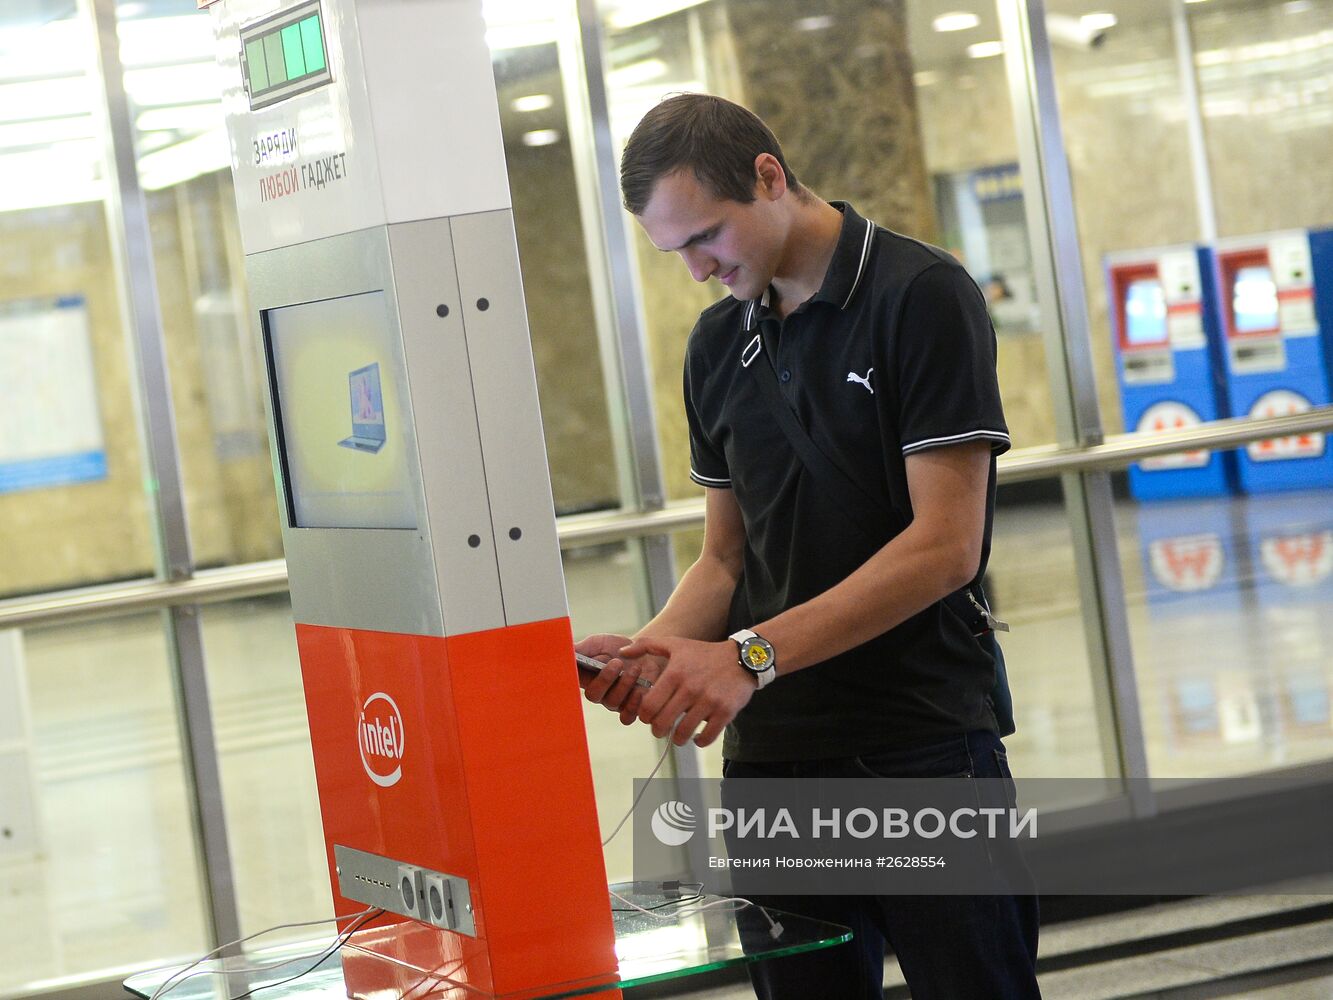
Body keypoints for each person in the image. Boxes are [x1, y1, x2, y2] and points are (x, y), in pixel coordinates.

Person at [577, 93, 1040, 999]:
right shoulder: (715, 343)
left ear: (768, 176)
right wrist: (658, 648)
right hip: (775, 763)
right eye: (673, 253)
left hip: (919, 748)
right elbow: (724, 559)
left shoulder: (920, 296)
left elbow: (946, 545)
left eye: (706, 238)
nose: (697, 271)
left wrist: (748, 657)